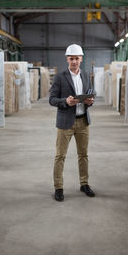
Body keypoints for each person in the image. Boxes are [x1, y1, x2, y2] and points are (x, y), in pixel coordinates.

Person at [49, 44, 96, 202]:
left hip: (83, 121)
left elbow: (89, 96)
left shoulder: (86, 75)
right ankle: (58, 187)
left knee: (83, 155)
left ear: (81, 59)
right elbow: (52, 99)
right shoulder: (60, 77)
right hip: (65, 123)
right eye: (71, 58)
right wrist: (65, 101)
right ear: (67, 59)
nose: (74, 61)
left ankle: (84, 184)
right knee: (60, 156)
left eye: (77, 58)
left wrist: (90, 101)